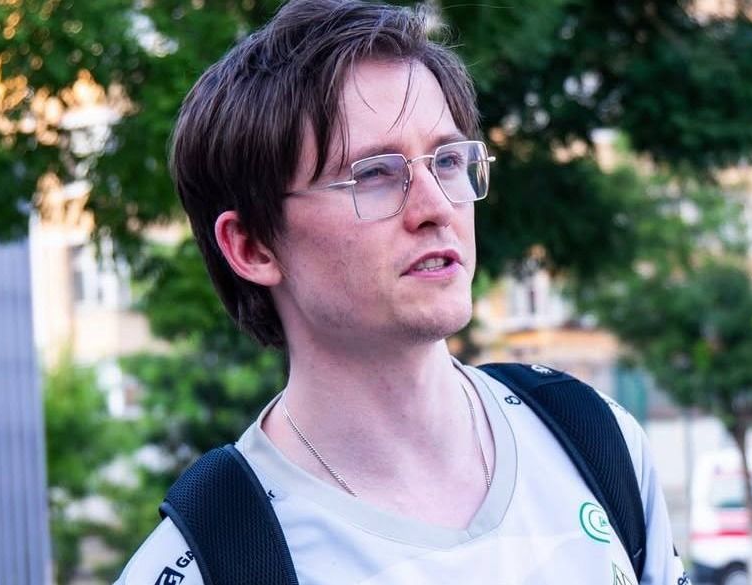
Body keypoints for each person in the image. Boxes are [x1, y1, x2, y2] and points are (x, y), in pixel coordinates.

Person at [116, 0, 687, 583]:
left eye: (448, 160)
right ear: (253, 246)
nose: (437, 206)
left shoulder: (593, 440)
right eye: (374, 174)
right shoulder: (214, 560)